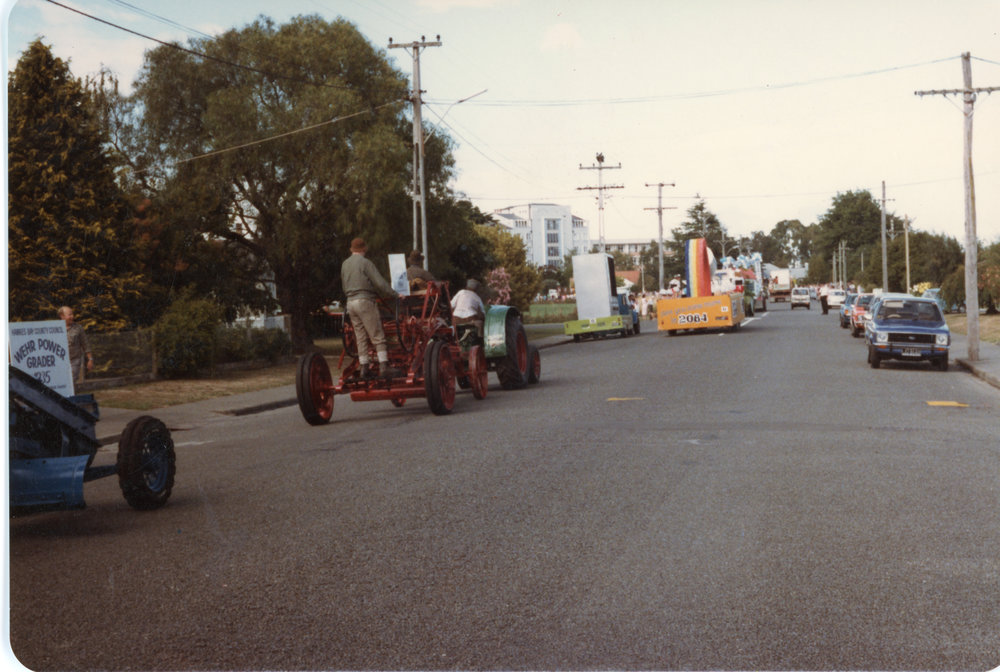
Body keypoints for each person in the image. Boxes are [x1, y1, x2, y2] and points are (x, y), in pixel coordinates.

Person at [340, 237, 402, 379]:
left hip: (350, 302)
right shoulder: (366, 263)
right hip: (365, 301)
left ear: (351, 250)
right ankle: (384, 366)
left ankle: (364, 368)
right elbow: (380, 283)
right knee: (377, 334)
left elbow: (344, 286)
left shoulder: (345, 264)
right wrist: (395, 295)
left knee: (360, 336)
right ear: (364, 249)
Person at [59, 306, 93, 383]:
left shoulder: (78, 328)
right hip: (61, 362)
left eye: (72, 314)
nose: (72, 316)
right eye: (69, 315)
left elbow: (85, 344)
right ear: (62, 316)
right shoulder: (55, 329)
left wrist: (90, 359)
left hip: (74, 360)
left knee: (71, 381)